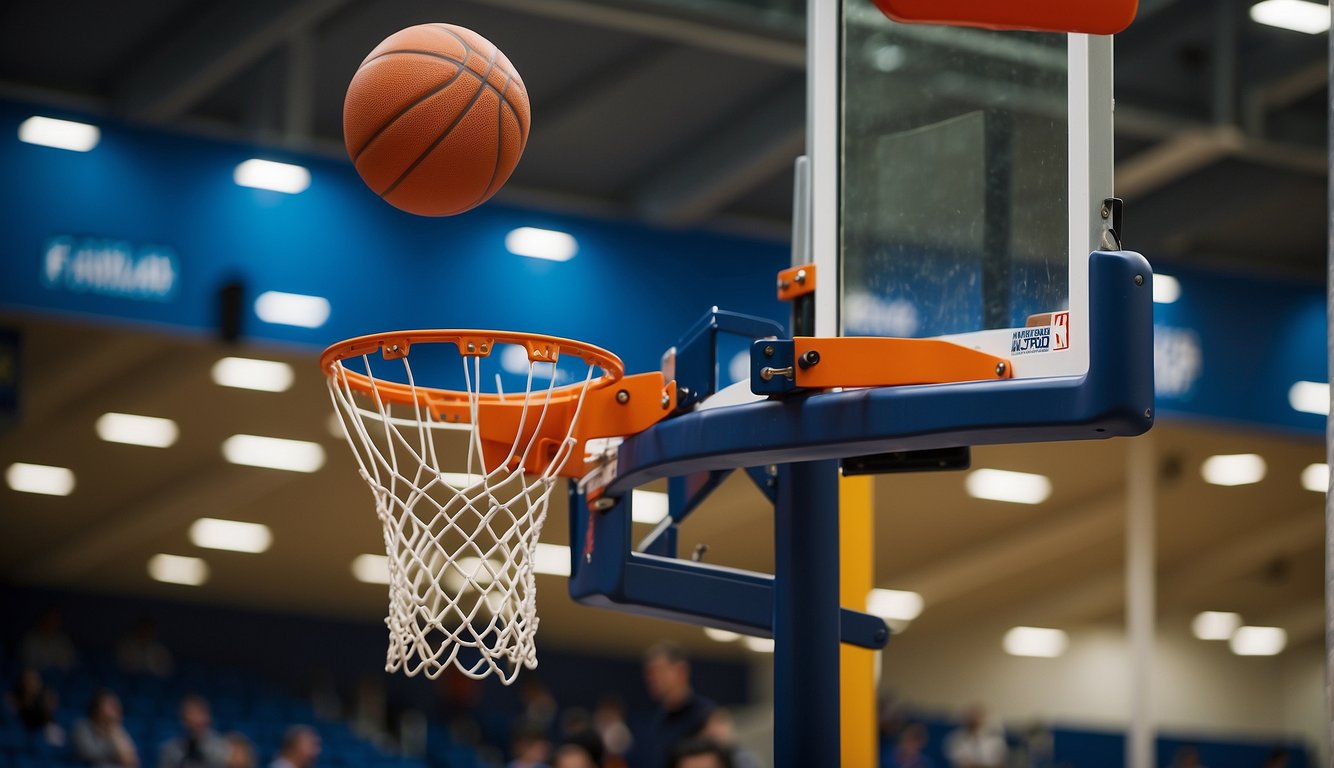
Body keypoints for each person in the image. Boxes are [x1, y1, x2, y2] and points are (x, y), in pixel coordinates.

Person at [640, 641, 717, 768]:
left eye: (659, 671)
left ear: (681, 671)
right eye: (649, 673)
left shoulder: (708, 716)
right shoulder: (659, 720)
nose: (653, 679)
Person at [71, 690, 139, 767]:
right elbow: (88, 753)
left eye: (116, 705)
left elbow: (131, 761)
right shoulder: (82, 726)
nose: (116, 709)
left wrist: (115, 731)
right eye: (111, 705)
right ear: (97, 707)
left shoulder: (118, 729)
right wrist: (115, 754)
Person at [157, 695, 229, 768]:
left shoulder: (224, 748)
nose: (194, 719)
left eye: (199, 714)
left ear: (207, 717)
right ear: (182, 720)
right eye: (189, 714)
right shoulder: (170, 751)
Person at [7, 668, 63, 745]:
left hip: (43, 737)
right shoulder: (13, 700)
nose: (33, 683)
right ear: (22, 682)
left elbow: (49, 722)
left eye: (36, 679)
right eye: (29, 679)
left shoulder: (45, 699)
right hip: (22, 738)